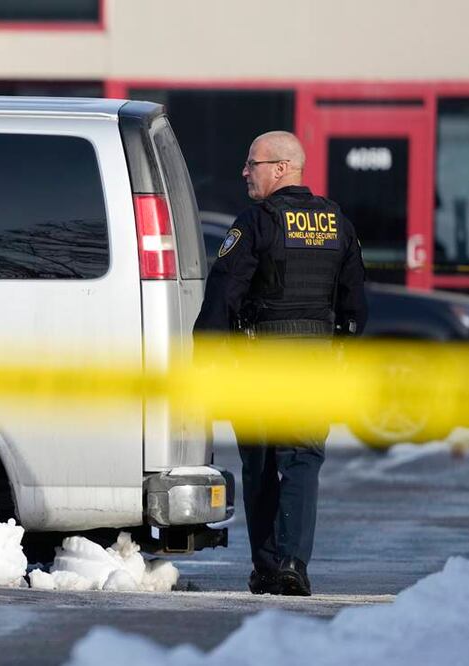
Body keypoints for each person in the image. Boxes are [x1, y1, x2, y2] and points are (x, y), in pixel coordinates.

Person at [194, 131, 368, 596]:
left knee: (260, 461)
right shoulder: (338, 225)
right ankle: (292, 562)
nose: (244, 171)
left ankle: (267, 567)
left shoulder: (256, 222)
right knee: (301, 462)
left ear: (281, 168)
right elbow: (355, 307)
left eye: (252, 163)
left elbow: (223, 295)